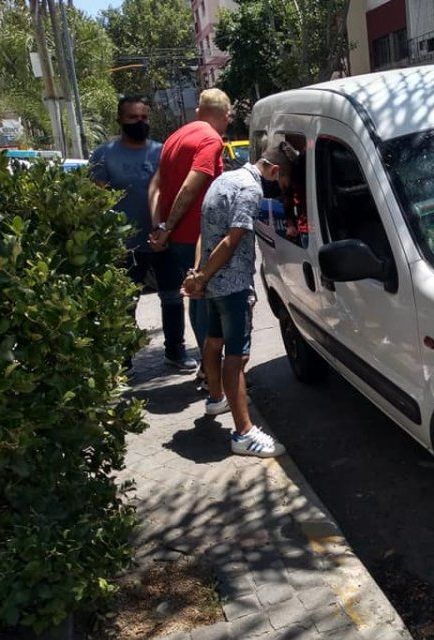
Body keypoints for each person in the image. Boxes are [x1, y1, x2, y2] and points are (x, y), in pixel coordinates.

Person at [181, 143, 290, 458]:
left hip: (214, 284)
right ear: (274, 170)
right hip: (233, 285)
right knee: (237, 358)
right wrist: (201, 277)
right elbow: (231, 240)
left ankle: (216, 399)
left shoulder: (224, 180)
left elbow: (205, 234)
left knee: (213, 341)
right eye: (282, 183)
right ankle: (244, 433)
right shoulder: (250, 191)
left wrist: (199, 274)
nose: (281, 191)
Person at [148, 88, 231, 371]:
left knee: (196, 298)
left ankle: (209, 369)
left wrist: (160, 227)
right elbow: (191, 186)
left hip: (179, 238)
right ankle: (213, 373)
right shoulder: (210, 139)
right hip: (198, 236)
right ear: (225, 115)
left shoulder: (175, 137)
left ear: (198, 112)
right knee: (207, 303)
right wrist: (168, 226)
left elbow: (155, 185)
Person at [88, 95, 165, 367]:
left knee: (173, 299)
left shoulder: (161, 151)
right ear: (120, 119)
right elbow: (95, 201)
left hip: (162, 241)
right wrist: (109, 240)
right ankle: (124, 361)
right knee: (125, 303)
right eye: (133, 117)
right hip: (124, 246)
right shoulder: (103, 155)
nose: (139, 122)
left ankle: (176, 351)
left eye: (144, 117)